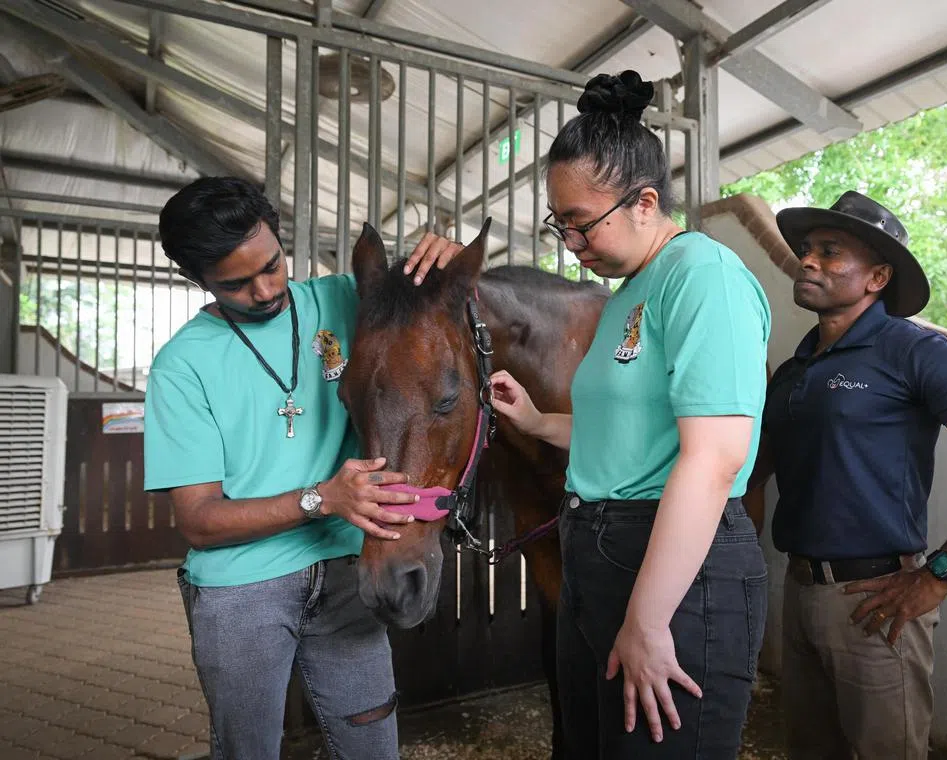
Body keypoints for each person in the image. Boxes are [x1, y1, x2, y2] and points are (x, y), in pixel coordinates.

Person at [489, 70, 772, 759]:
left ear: (645, 202)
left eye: (582, 224)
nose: (571, 245)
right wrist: (535, 423)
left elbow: (713, 458)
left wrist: (648, 620)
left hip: (676, 567)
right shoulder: (627, 292)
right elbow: (628, 432)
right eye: (561, 225)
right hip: (598, 551)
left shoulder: (703, 275)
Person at [143, 176, 461, 759]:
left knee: (374, 747)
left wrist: (446, 255)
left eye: (273, 265)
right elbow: (198, 520)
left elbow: (432, 315)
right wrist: (322, 499)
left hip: (345, 574)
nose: (265, 290)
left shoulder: (344, 299)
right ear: (198, 280)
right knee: (249, 751)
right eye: (236, 284)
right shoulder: (181, 366)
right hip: (242, 592)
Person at [749, 190, 947, 758]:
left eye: (831, 251)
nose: (809, 260)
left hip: (876, 601)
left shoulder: (914, 352)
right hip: (798, 590)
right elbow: (752, 474)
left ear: (878, 276)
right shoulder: (794, 370)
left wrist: (939, 576)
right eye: (808, 249)